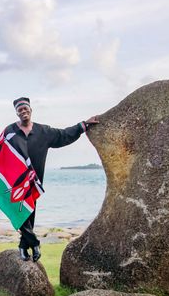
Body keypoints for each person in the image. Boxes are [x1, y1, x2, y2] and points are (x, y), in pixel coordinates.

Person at [7, 97, 100, 261]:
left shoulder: (43, 131)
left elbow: (64, 135)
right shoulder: (10, 131)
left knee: (29, 213)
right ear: (16, 112)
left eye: (25, 108)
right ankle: (34, 243)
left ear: (30, 110)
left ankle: (23, 246)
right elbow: (0, 152)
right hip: (15, 181)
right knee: (18, 213)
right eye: (20, 110)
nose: (23, 111)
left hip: (34, 182)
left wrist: (83, 125)